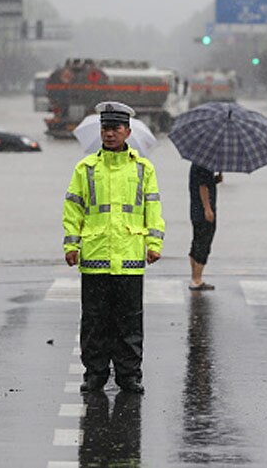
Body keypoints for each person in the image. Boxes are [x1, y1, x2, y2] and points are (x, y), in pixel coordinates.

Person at [63, 101, 165, 394]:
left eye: (115, 128)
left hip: (130, 259)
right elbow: (73, 209)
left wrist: (154, 244)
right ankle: (94, 374)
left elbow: (152, 209)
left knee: (129, 323)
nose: (109, 134)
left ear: (127, 132)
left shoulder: (143, 169)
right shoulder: (85, 168)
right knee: (94, 322)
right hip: (95, 257)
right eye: (105, 128)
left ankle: (129, 375)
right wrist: (71, 244)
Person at [188, 163, 223, 291]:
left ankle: (195, 277)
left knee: (197, 242)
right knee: (204, 243)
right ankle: (196, 280)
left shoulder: (196, 164)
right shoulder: (205, 165)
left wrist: (215, 180)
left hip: (195, 210)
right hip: (203, 211)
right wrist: (207, 209)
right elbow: (203, 187)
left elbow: (202, 184)